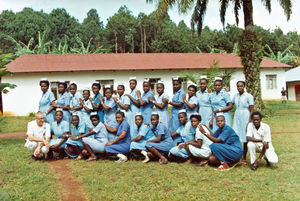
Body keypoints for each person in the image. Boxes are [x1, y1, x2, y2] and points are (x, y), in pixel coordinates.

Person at [232, 81, 254, 165]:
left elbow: (251, 109)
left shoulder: (249, 96)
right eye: (238, 86)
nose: (239, 88)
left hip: (245, 115)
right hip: (237, 115)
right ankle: (237, 155)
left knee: (245, 137)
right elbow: (231, 104)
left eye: (241, 86)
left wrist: (249, 120)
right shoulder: (235, 95)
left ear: (244, 86)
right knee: (236, 135)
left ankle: (244, 158)